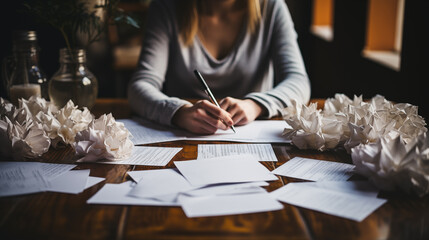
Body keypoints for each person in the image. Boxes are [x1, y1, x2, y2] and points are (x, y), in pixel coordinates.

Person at [128, 0, 310, 134]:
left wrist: (255, 105)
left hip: (255, 145)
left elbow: (298, 81)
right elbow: (140, 86)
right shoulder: (166, 7)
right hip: (185, 139)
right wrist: (178, 112)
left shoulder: (271, 7)